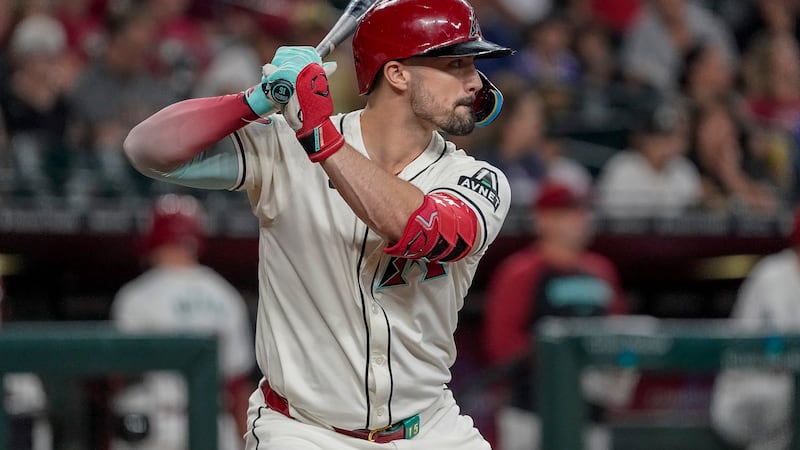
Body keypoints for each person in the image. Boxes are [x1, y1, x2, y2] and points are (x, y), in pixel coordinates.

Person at [122, 0, 514, 448]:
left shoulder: (477, 179)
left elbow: (427, 229)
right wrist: (256, 99)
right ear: (398, 74)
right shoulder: (285, 151)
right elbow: (145, 149)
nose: (475, 81)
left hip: (428, 429)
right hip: (302, 431)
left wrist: (319, 134)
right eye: (457, 63)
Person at [482, 181, 632, 450]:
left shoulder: (601, 270)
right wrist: (566, 367)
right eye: (566, 213)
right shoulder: (520, 271)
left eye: (582, 211)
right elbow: (503, 345)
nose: (579, 220)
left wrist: (617, 369)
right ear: (542, 220)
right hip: (532, 412)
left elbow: (617, 334)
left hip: (591, 413)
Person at [110, 194, 255, 450]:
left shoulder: (136, 296)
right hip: (214, 424)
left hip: (155, 426)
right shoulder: (225, 295)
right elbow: (237, 386)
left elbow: (118, 378)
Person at [710, 208, 800, 450]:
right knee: (785, 396)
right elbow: (746, 346)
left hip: (783, 394)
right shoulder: (771, 276)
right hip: (751, 387)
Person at [595, 96, 702, 218]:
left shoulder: (684, 170)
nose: (664, 145)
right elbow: (610, 222)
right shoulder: (622, 169)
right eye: (657, 137)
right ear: (642, 138)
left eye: (669, 137)